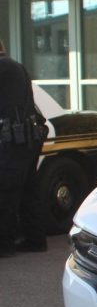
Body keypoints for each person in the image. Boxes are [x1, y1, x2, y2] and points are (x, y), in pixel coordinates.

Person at [0, 39, 47, 257]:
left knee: (6, 193)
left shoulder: (3, 68)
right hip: (28, 138)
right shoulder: (15, 66)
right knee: (29, 190)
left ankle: (5, 246)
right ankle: (35, 239)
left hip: (13, 140)